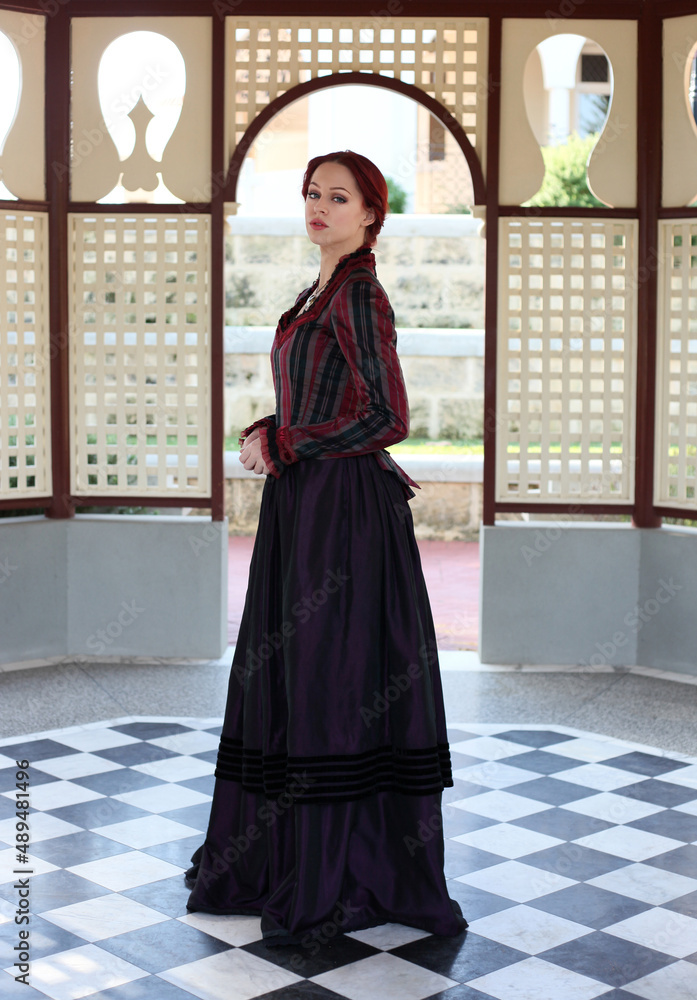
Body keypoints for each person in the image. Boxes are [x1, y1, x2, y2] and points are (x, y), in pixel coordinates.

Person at [185, 150, 467, 947]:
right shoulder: (321, 289)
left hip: (343, 514)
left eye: (337, 197)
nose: (318, 206)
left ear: (370, 213)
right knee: (300, 675)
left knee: (331, 682)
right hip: (305, 505)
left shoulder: (361, 293)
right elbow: (320, 400)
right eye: (311, 193)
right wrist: (268, 431)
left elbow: (388, 417)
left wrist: (287, 437)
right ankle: (288, 857)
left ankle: (344, 872)